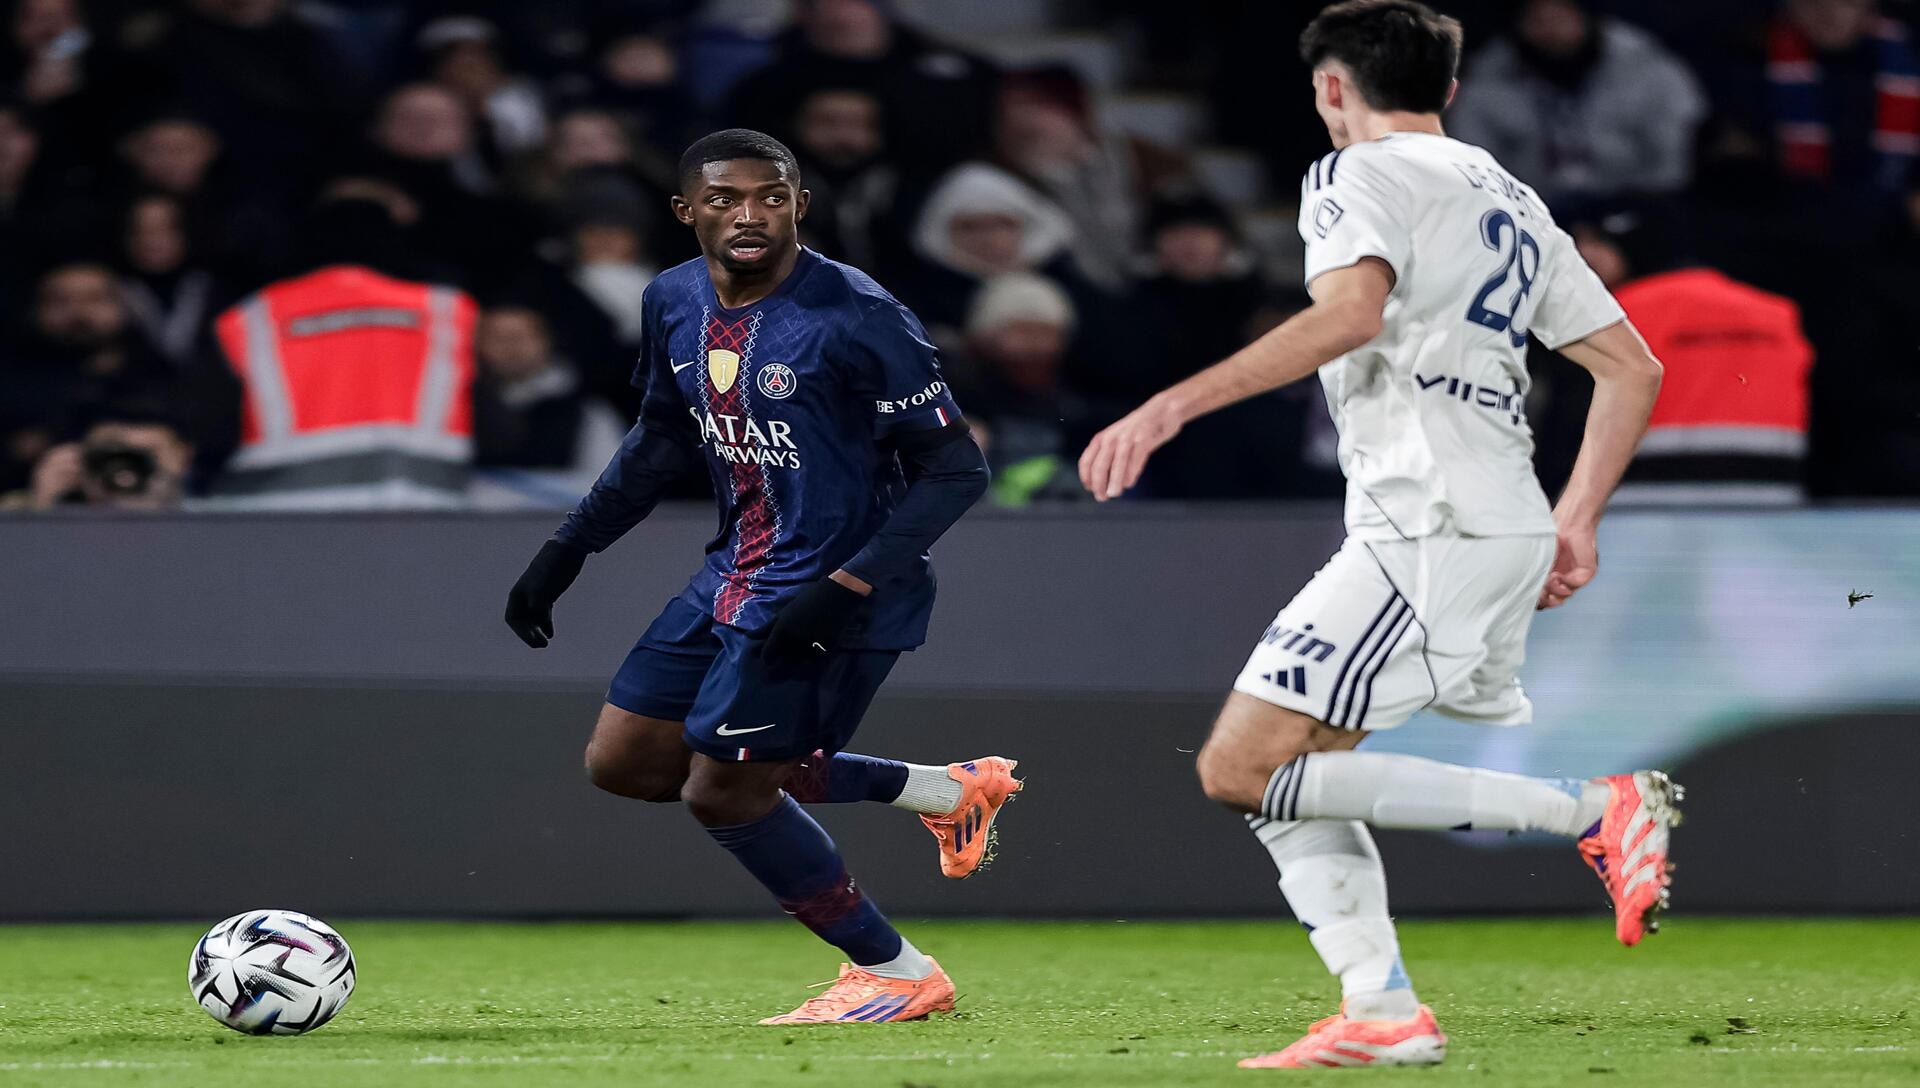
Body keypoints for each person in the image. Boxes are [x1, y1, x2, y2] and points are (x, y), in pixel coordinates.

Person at [1078, 2, 1674, 1068]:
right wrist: (1572, 518)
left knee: (1238, 767)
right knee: (1286, 771)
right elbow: (1632, 366)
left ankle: (1592, 806)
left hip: (1427, 521)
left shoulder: (1351, 174)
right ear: (1448, 90)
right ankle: (1384, 1005)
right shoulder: (1511, 194)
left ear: (1332, 89)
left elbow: (1351, 313)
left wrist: (1170, 405)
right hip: (1488, 517)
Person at [502, 129, 1017, 1025]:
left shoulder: (858, 315)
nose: (750, 216)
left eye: (771, 197)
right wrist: (568, 550)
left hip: (841, 590)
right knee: (626, 763)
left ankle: (896, 972)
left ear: (798, 205)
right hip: (735, 571)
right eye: (726, 199)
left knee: (724, 789)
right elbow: (661, 437)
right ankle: (941, 789)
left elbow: (956, 469)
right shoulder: (671, 299)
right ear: (686, 210)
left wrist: (844, 588)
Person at [1447, 0, 1707, 204]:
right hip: (1532, 213)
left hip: (1642, 204)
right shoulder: (1487, 84)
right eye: (1536, 20)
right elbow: (1475, 170)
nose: (1551, 31)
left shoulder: (1649, 70)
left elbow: (1677, 157)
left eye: (1561, 17)